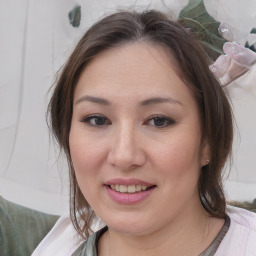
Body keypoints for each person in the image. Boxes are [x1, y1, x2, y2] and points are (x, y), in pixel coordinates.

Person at [32, 10, 256, 256]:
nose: (124, 156)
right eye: (97, 119)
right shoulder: (57, 248)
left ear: (209, 140)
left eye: (159, 121)